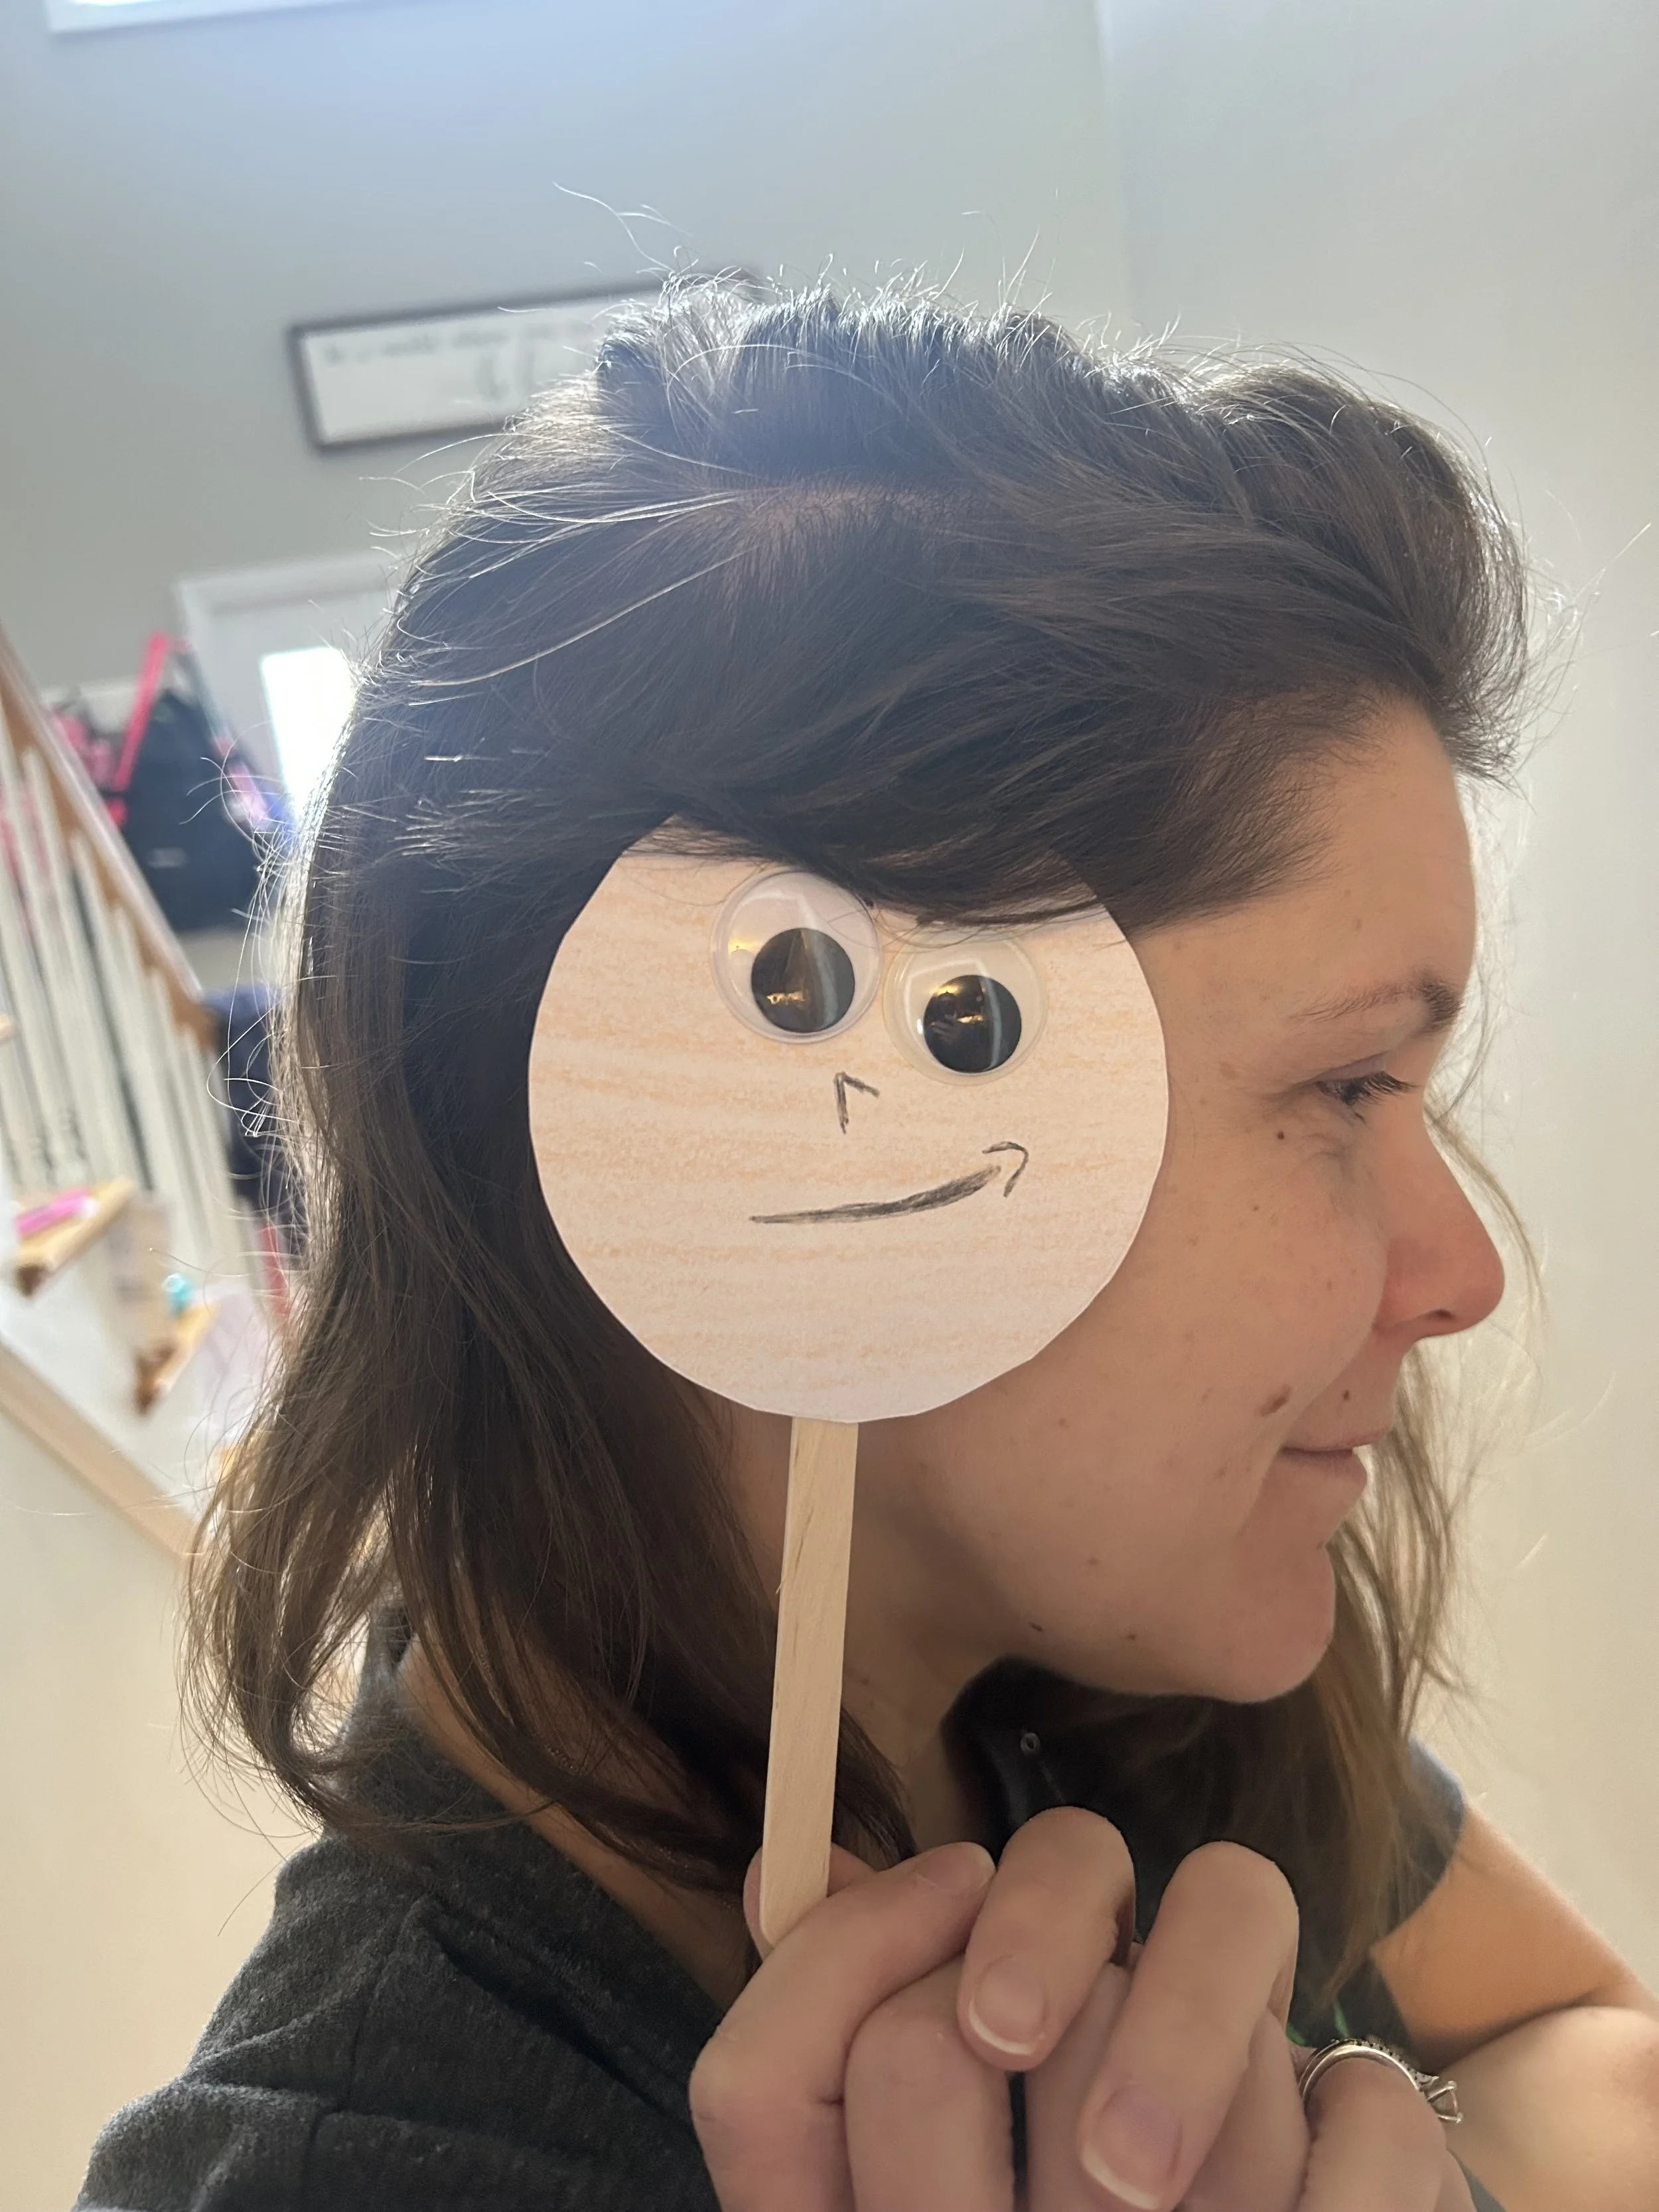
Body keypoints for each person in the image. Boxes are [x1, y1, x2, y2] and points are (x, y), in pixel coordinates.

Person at [80, 285, 1659, 2211]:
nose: (1458, 1270)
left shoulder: (1127, 1673)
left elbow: (1591, 2047)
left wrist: (1386, 2153)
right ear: (724, 1108)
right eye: (1344, 1083)